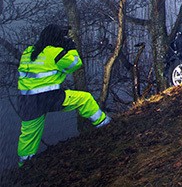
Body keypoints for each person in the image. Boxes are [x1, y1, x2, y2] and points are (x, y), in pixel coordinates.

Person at [17, 24, 111, 167]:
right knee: (84, 99)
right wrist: (71, 48)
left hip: (26, 101)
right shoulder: (54, 53)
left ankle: (24, 165)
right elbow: (74, 64)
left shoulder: (28, 52)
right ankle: (105, 125)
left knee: (29, 135)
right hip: (48, 97)